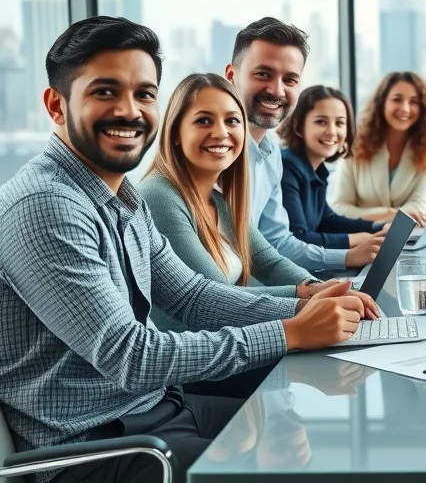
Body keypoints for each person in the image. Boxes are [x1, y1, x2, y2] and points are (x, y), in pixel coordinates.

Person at [0, 17, 376, 483]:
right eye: (104, 92)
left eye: (144, 93)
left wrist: (306, 302)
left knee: (319, 438)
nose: (130, 110)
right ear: (56, 105)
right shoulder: (46, 206)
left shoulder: (121, 196)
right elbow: (131, 356)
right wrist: (290, 332)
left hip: (155, 411)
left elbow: (193, 296)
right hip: (96, 446)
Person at [139, 74, 376, 332]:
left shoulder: (219, 198)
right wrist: (307, 301)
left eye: (232, 121)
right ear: (175, 133)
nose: (221, 133)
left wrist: (316, 287)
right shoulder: (159, 196)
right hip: (198, 360)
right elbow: (214, 298)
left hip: (233, 344)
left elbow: (268, 262)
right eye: (203, 120)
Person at [224, 17, 382, 271]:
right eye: (263, 73)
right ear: (231, 75)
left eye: (290, 80)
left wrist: (316, 288)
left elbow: (278, 243)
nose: (276, 91)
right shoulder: (216, 153)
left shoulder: (271, 153)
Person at [277, 85, 386, 250]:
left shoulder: (317, 170)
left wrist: (378, 227)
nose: (332, 131)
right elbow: (297, 237)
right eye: (321, 122)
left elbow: (327, 220)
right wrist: (357, 239)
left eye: (340, 123)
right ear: (299, 127)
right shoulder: (287, 167)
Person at [328, 71, 426, 226]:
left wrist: (392, 218)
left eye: (414, 102)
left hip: (406, 236)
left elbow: (420, 203)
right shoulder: (355, 143)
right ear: (382, 102)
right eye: (397, 99)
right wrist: (388, 215)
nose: (405, 108)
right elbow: (340, 207)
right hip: (359, 237)